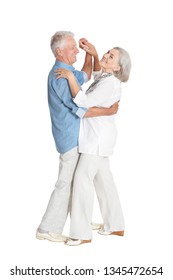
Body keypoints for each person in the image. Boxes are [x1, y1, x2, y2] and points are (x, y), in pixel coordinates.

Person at [36, 31, 119, 242]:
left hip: (80, 137)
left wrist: (89, 54)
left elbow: (86, 75)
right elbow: (79, 107)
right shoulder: (60, 76)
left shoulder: (67, 71)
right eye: (73, 48)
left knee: (80, 181)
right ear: (59, 52)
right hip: (69, 138)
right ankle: (47, 228)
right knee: (66, 183)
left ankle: (81, 221)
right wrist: (108, 111)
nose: (76, 50)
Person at [56, 40, 131, 245]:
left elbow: (82, 102)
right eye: (108, 52)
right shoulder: (106, 78)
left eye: (111, 56)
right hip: (99, 138)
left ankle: (80, 233)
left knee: (82, 179)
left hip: (97, 140)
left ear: (118, 67)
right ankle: (115, 225)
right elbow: (97, 74)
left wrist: (71, 76)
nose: (106, 56)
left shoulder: (110, 84)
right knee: (104, 181)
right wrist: (94, 52)